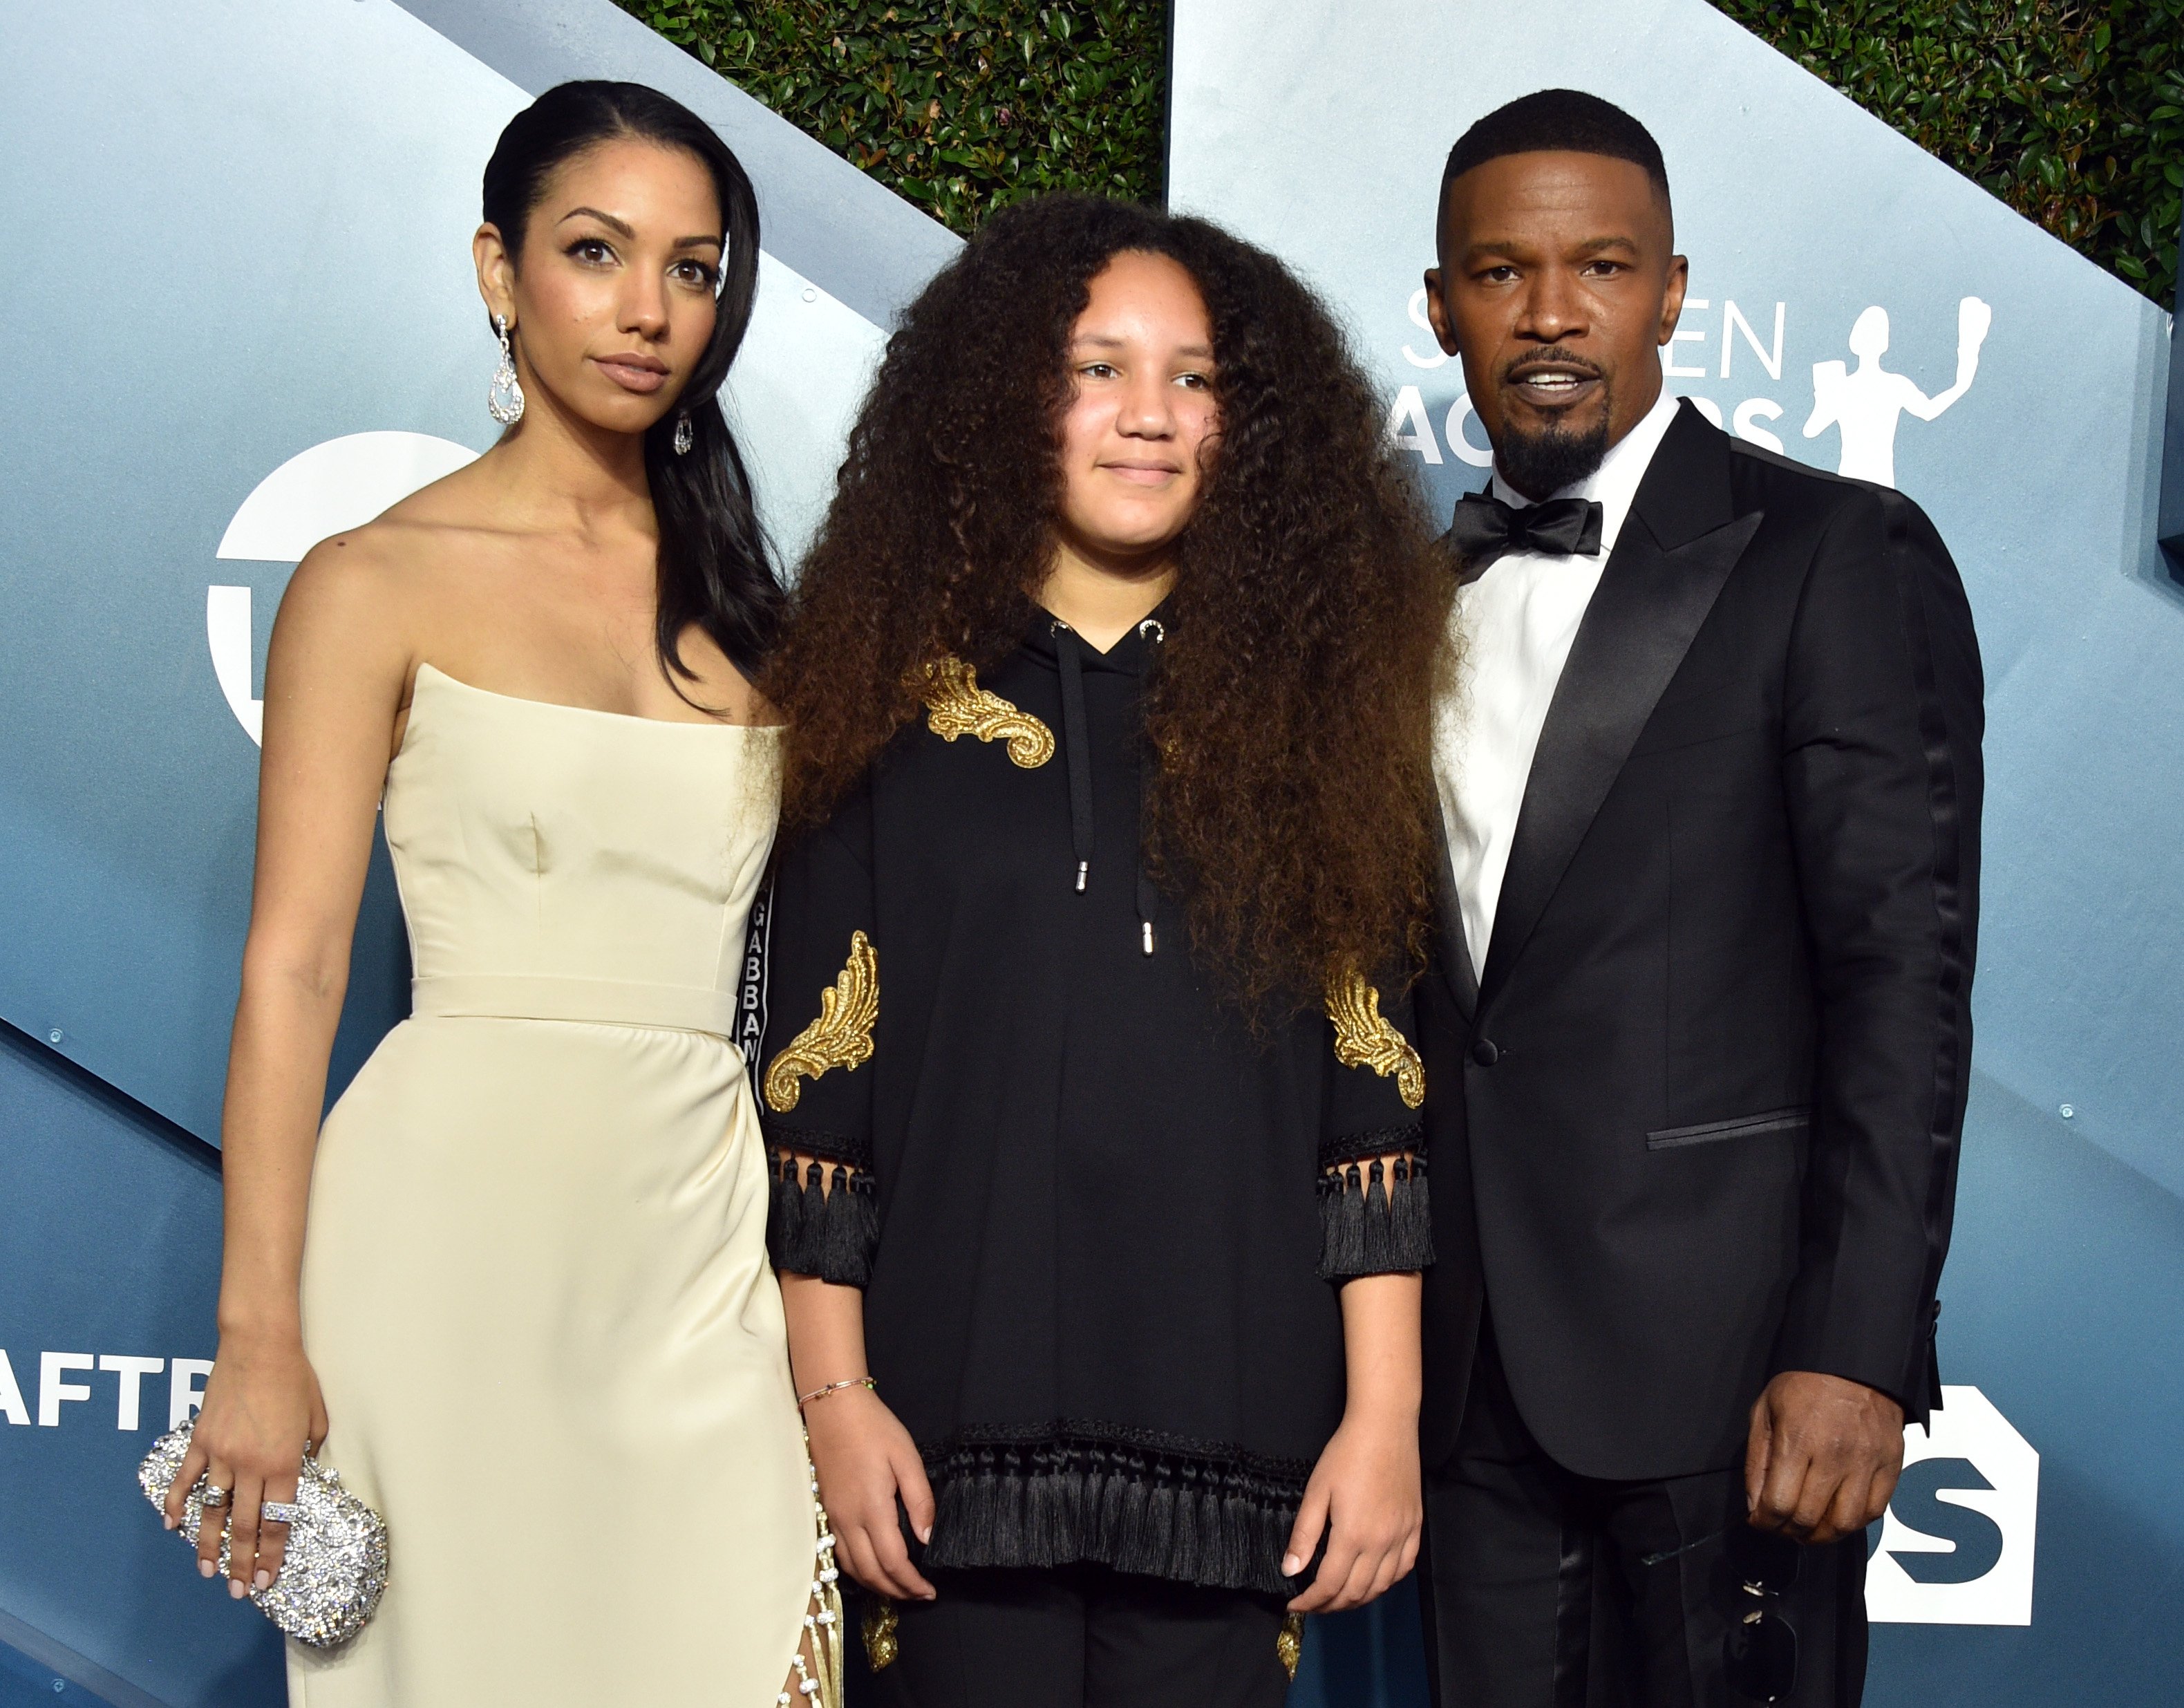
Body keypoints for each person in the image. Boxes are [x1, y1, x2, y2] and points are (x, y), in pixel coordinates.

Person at [167, 82, 839, 1707]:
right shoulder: (370, 580)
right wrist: (258, 1331)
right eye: (595, 253)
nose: (646, 309)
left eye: (693, 269)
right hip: (443, 1242)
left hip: (692, 1237)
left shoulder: (755, 607)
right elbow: (296, 973)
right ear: (498, 268)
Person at [753, 193, 1451, 1707]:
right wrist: (834, 1399)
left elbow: (1371, 1113)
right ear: (1004, 395)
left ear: (1246, 420)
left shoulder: (1323, 719)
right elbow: (817, 1108)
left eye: (1193, 377)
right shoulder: (878, 693)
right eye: (1096, 368)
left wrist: (1382, 1417)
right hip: (939, 1462)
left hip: (1237, 1448)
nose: (1148, 417)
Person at [1410, 91, 1983, 1706]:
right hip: (1466, 1390)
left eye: (1598, 268)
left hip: (1738, 1380)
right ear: (1439, 303)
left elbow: (1903, 984)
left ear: (1671, 292)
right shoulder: (1399, 596)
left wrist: (1854, 1348)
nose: (1547, 314)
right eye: (1500, 271)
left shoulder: (1833, 552)